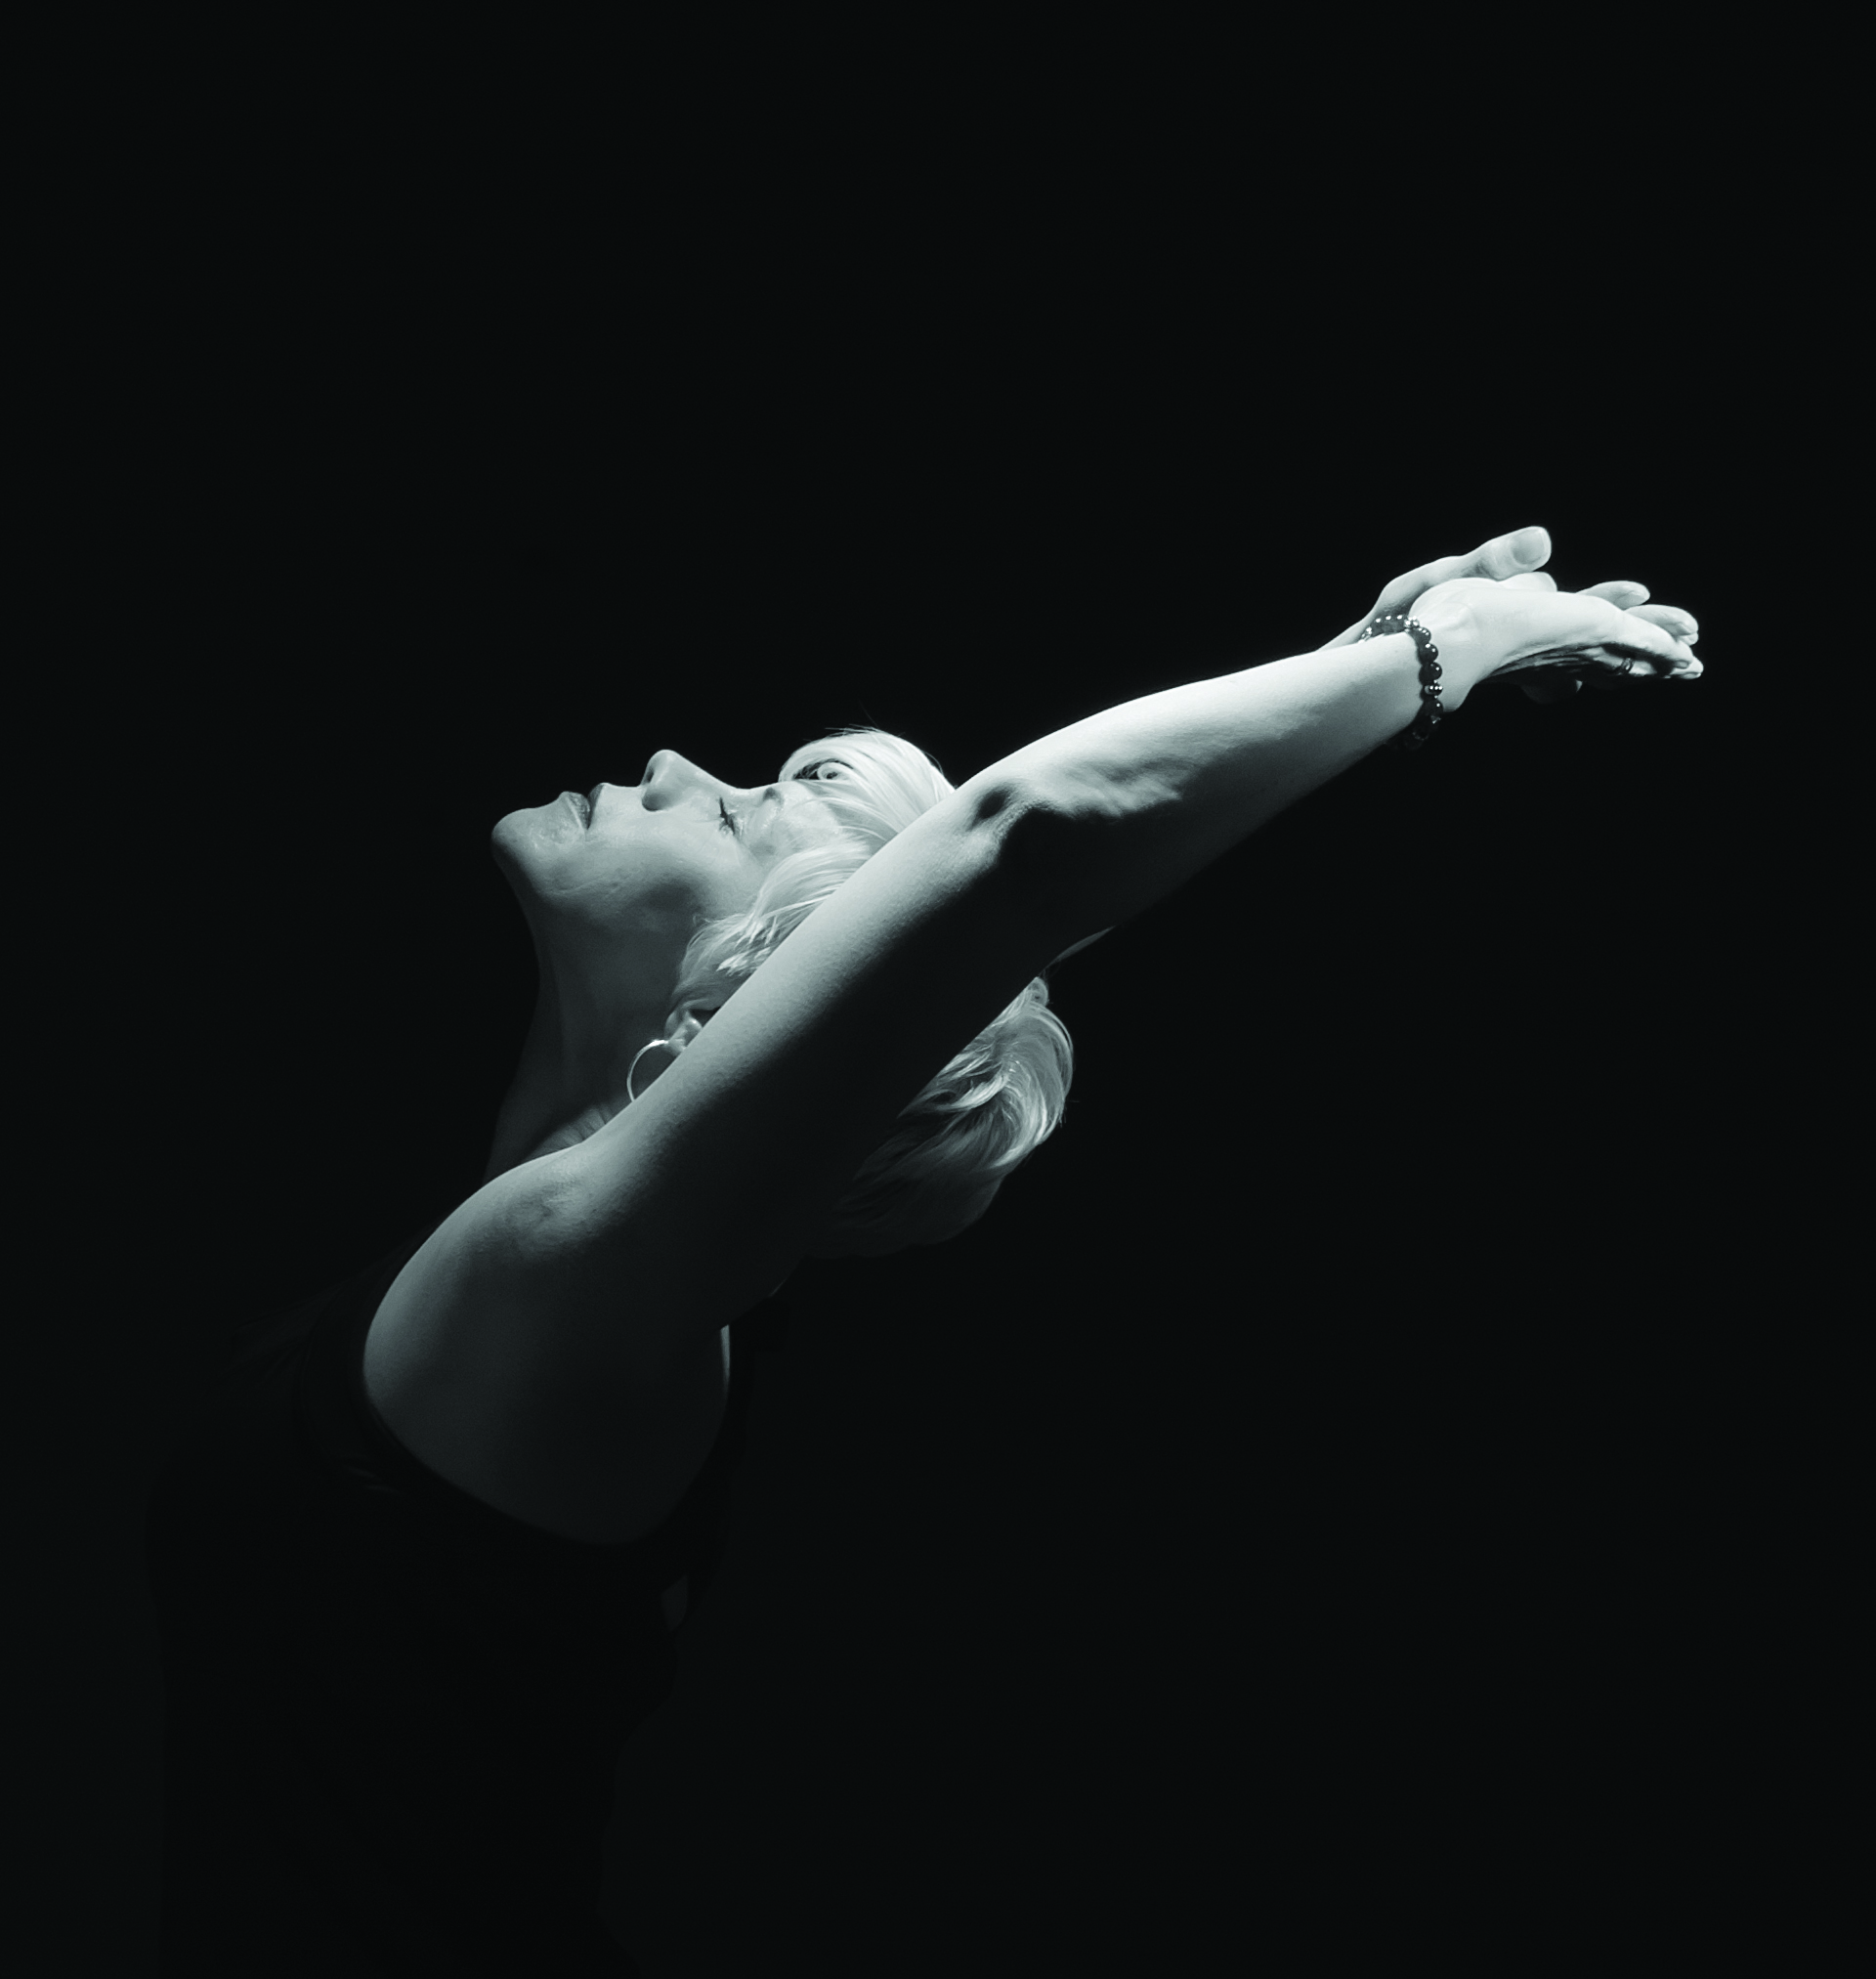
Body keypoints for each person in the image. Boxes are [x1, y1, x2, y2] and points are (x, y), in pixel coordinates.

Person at [143, 523, 1699, 1974]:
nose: (683, 764)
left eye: (749, 810)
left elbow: (1021, 850)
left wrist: (1440, 652)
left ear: (734, 993)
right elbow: (974, 922)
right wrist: (1367, 650)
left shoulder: (563, 1279)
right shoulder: (550, 1255)